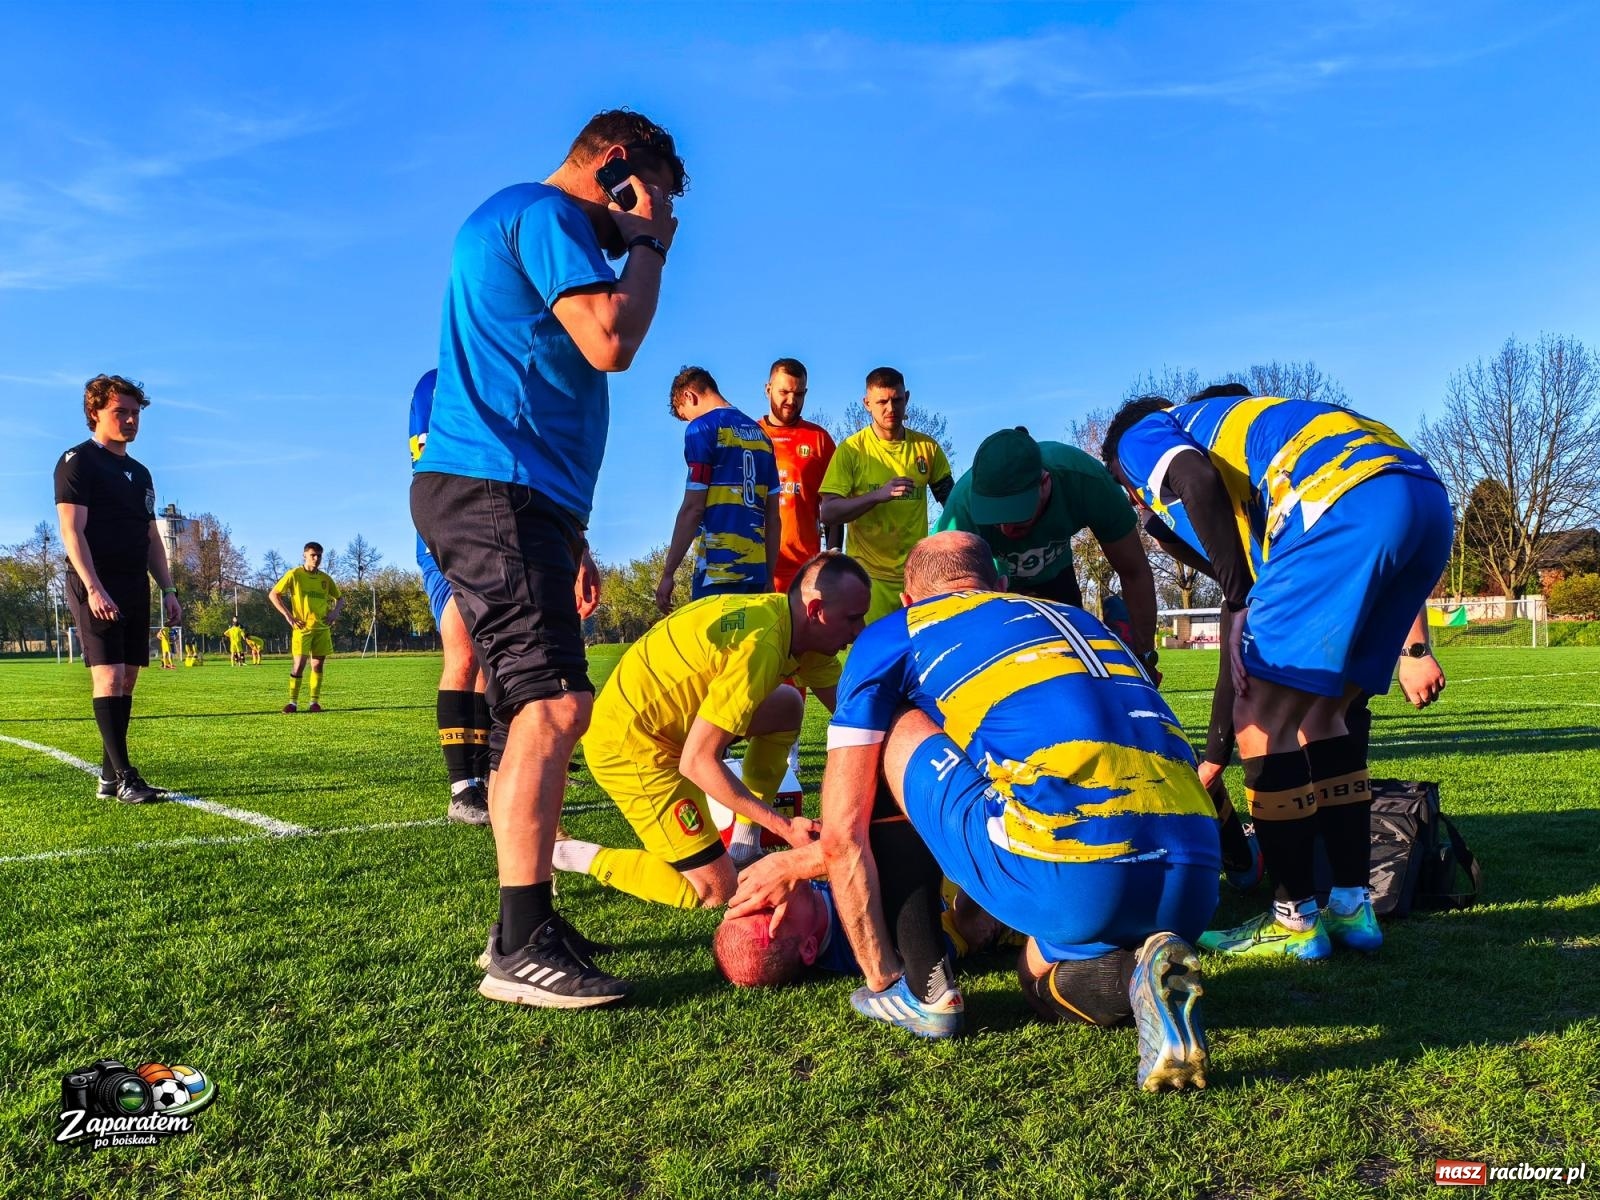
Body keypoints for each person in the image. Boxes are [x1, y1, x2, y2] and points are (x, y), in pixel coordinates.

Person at [737, 532, 1221, 1089]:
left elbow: (845, 833)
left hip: (1071, 873)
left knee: (886, 727)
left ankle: (921, 990)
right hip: (1196, 878)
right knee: (1035, 973)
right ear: (999, 586)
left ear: (908, 601)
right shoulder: (1073, 616)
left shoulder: (898, 634)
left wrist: (875, 977)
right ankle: (1139, 973)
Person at [410, 109, 685, 1008]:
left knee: (535, 703)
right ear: (614, 168)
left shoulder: (524, 221)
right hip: (498, 490)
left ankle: (525, 921)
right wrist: (649, 246)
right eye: (649, 192)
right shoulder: (549, 214)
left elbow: (541, 375)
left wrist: (575, 536)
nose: (650, 215)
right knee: (554, 702)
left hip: (524, 499)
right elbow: (613, 341)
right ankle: (520, 944)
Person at [1101, 384, 1453, 960]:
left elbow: (1195, 482)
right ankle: (1351, 906)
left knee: (1261, 715)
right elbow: (1232, 527)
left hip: (1343, 503)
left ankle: (1293, 920)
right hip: (1424, 499)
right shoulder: (1248, 437)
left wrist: (1238, 602)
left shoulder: (1144, 434)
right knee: (1324, 715)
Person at [550, 554, 870, 925]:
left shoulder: (802, 634)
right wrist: (784, 827)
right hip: (631, 747)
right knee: (714, 891)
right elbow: (698, 762)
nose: (859, 630)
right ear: (816, 611)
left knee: (786, 706)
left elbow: (856, 723)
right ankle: (565, 852)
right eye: (852, 618)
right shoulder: (760, 646)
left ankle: (744, 844)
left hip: (675, 730)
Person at [54, 374, 183, 804]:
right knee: (107, 676)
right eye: (120, 412)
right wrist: (92, 587)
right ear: (95, 413)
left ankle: (110, 780)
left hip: (133, 584)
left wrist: (167, 589)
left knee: (127, 679)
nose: (129, 420)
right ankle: (127, 776)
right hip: (95, 582)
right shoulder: (78, 461)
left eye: (134, 412)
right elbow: (72, 532)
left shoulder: (140, 473)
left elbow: (150, 537)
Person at [934, 426, 1160, 669]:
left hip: (1055, 575)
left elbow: (1134, 571)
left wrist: (1144, 654)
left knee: (1073, 663)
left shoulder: (1086, 481)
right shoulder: (961, 509)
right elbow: (941, 601)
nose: (1005, 529)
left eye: (1016, 514)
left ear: (1044, 483)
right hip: (993, 586)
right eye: (995, 516)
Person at [409, 369, 492, 826]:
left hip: (497, 536)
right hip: (449, 534)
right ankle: (461, 788)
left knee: (486, 657)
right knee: (462, 653)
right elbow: (429, 463)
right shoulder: (437, 383)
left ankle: (483, 773)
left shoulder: (503, 367)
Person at [819, 367, 953, 624]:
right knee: (873, 655)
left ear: (907, 398)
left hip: (918, 575)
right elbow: (828, 511)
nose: (890, 408)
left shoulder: (927, 448)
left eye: (897, 400)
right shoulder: (851, 450)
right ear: (867, 403)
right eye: (882, 401)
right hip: (868, 578)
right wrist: (876, 496)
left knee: (919, 653)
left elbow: (953, 502)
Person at [656, 366, 779, 612]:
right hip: (755, 571)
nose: (688, 423)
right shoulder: (762, 437)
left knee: (711, 649)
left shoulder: (701, 429)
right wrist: (769, 574)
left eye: (685, 416)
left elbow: (693, 508)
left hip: (717, 570)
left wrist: (668, 572)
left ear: (690, 397)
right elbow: (773, 517)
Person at [757, 358, 839, 594]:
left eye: (799, 394)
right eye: (784, 392)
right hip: (756, 567)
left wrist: (831, 560)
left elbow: (834, 507)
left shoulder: (819, 440)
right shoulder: (750, 435)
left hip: (804, 571)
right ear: (768, 389)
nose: (791, 401)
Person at [270, 543, 342, 713]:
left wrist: (334, 613)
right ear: (305, 555)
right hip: (302, 629)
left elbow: (340, 598)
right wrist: (289, 616)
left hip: (322, 629)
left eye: (319, 556)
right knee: (299, 665)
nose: (316, 559)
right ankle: (292, 703)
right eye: (313, 555)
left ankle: (314, 702)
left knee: (317, 666)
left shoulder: (325, 579)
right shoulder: (294, 574)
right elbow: (274, 594)